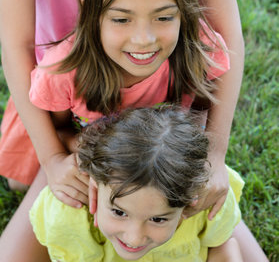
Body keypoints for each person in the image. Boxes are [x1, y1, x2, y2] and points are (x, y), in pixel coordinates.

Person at [0, 0, 244, 217]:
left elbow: (226, 37)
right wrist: (52, 158)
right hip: (69, 91)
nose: (142, 36)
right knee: (24, 183)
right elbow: (17, 43)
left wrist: (215, 152)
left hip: (160, 81)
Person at [29, 106, 245, 262]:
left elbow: (223, 249)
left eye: (158, 219)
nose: (134, 237)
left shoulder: (207, 202)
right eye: (119, 212)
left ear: (189, 204)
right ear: (94, 187)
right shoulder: (68, 218)